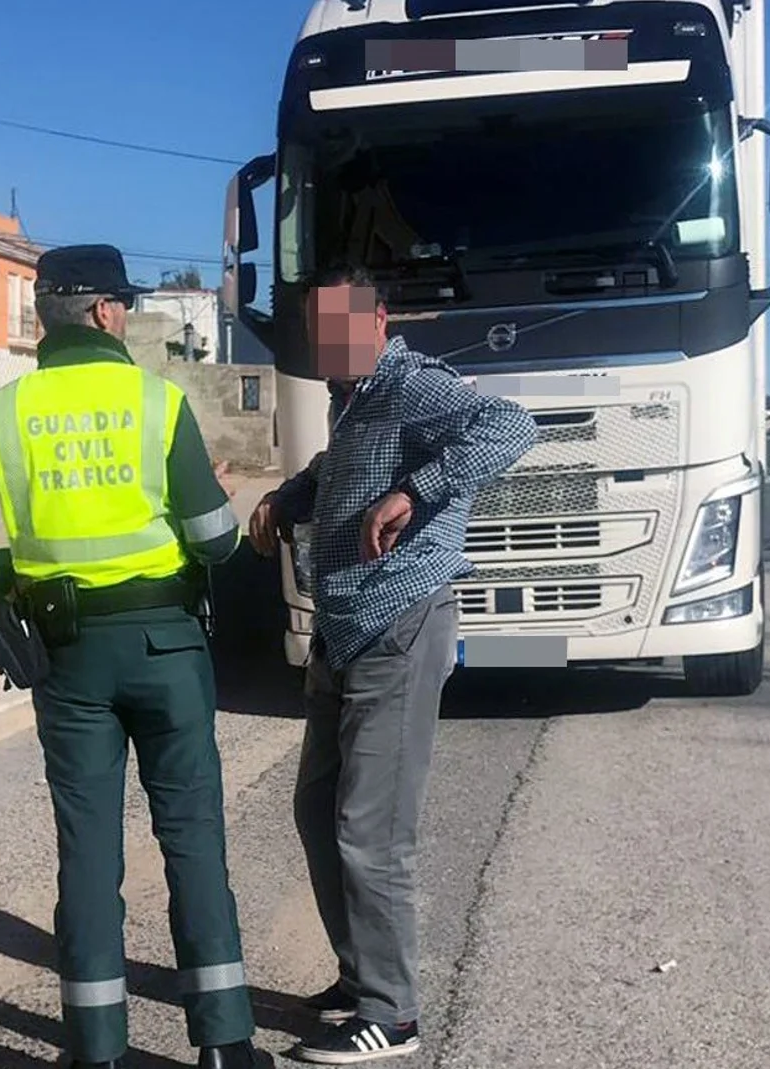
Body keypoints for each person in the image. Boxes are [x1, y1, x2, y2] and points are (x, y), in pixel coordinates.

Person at [0, 244, 263, 1069]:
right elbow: (216, 542)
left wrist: (3, 575)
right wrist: (207, 500)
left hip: (64, 655)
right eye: (123, 306)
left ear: (45, 317)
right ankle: (225, 1045)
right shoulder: (154, 401)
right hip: (166, 646)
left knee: (88, 849)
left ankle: (96, 1050)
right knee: (193, 839)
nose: (126, 317)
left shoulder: (4, 412)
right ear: (105, 312)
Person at [246, 267, 536, 1064]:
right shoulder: (353, 399)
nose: (326, 342)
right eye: (316, 327)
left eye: (340, 325)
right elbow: (340, 475)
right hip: (344, 633)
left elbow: (512, 427)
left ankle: (394, 1014)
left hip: (401, 625)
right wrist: (291, 495)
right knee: (316, 810)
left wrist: (418, 490)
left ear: (380, 322)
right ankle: (361, 977)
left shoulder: (413, 387)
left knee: (371, 829)